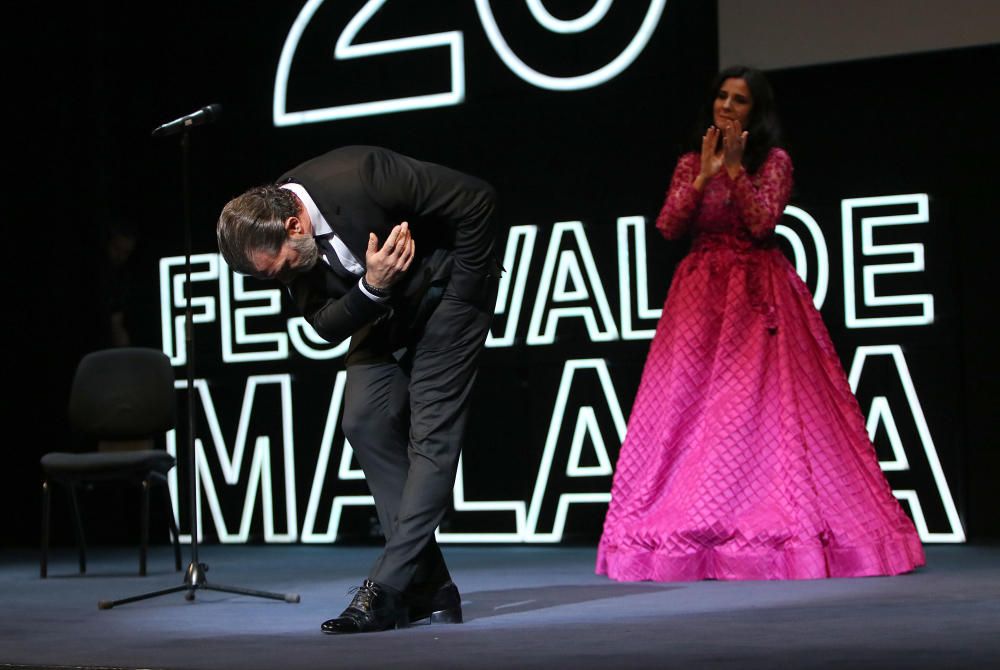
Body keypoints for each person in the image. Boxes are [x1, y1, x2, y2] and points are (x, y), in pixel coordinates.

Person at [596, 67, 925, 582]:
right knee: (686, 416)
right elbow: (668, 226)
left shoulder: (774, 162)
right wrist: (704, 174)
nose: (727, 106)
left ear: (757, 110)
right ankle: (694, 531)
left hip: (756, 297)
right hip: (699, 299)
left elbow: (761, 222)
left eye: (740, 100)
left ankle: (768, 533)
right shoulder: (690, 162)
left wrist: (734, 170)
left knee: (762, 415)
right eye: (722, 96)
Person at [217, 145, 502, 632]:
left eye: (280, 268)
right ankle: (431, 587)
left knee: (430, 441)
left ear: (294, 225)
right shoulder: (285, 245)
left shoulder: (361, 176)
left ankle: (386, 589)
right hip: (381, 306)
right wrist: (372, 287)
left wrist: (467, 296)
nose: (282, 279)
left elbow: (478, 199)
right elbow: (324, 324)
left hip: (446, 296)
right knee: (363, 420)